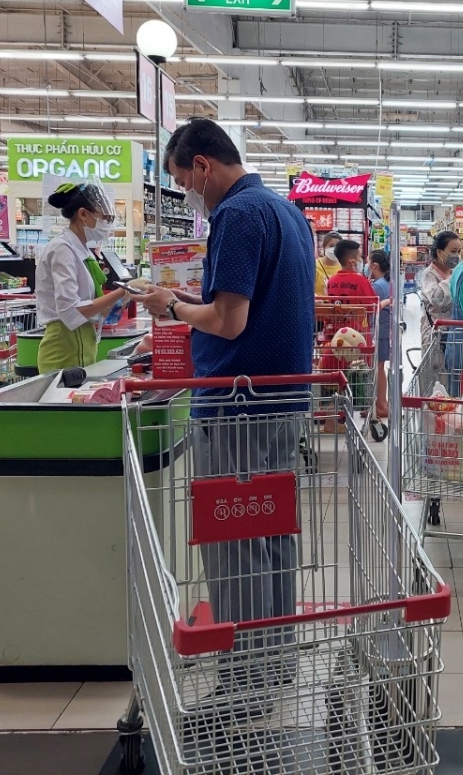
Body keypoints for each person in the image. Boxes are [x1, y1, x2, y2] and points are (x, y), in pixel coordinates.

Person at [138, 119, 314, 714]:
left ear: (203, 166)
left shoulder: (236, 215)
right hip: (285, 402)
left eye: (181, 178)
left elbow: (228, 320)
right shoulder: (288, 212)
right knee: (272, 534)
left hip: (237, 407)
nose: (185, 189)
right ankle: (275, 660)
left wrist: (172, 304)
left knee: (234, 541)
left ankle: (243, 684)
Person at [33, 183, 126, 374]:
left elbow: (95, 304)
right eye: (104, 218)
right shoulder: (62, 249)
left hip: (84, 345)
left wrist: (127, 296)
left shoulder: (83, 250)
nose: (107, 225)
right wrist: (123, 291)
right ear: (83, 214)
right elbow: (69, 310)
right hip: (63, 349)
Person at [420, 230, 462, 347]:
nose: (457, 256)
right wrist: (454, 277)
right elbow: (437, 298)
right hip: (435, 335)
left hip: (454, 333)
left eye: (459, 252)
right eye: (453, 251)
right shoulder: (429, 274)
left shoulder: (454, 272)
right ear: (439, 252)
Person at [369, 249, 393, 420]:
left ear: (374, 265)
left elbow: (370, 307)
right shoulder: (385, 283)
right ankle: (379, 403)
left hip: (378, 331)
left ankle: (381, 405)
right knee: (379, 368)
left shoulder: (377, 286)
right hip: (384, 330)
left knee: (377, 368)